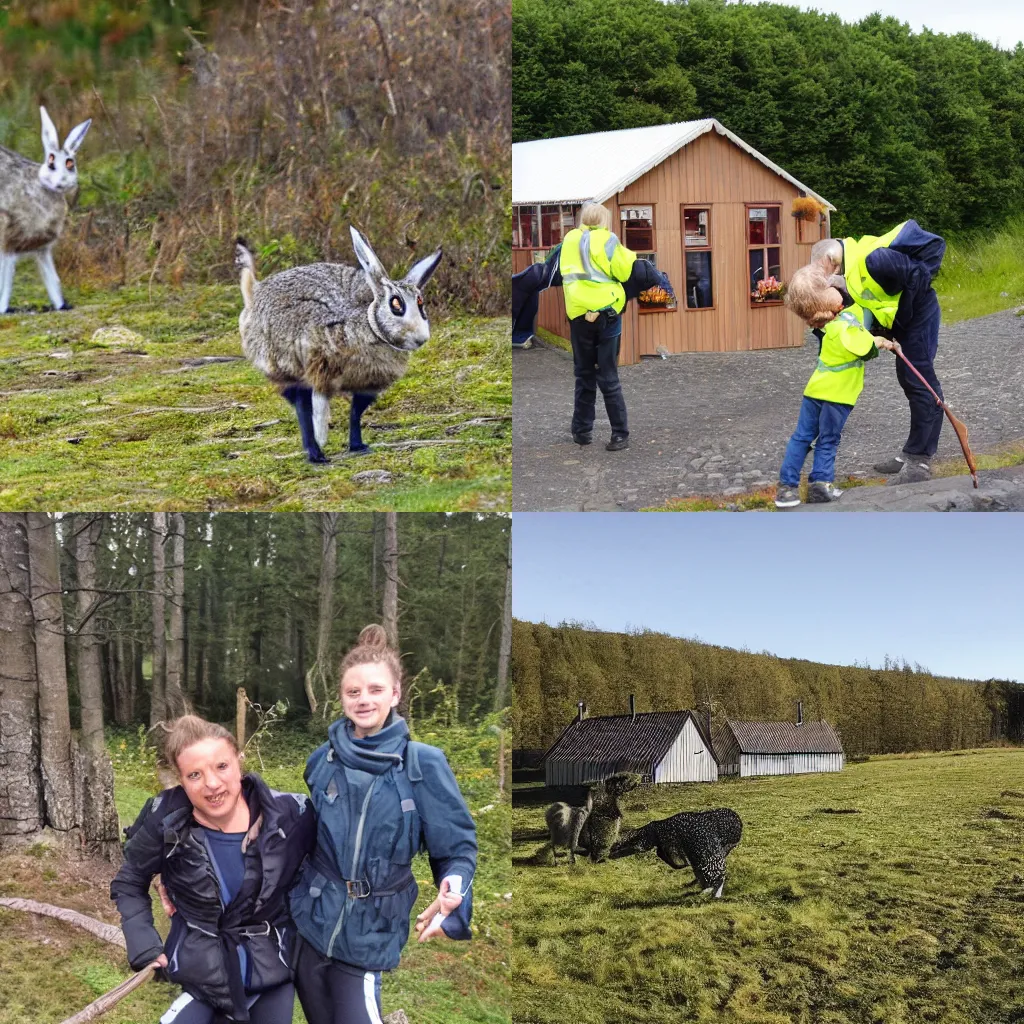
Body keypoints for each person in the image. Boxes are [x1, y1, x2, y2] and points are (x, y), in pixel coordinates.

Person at [288, 624, 477, 1024]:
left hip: (371, 931)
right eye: (353, 692)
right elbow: (306, 838)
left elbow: (457, 849)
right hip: (311, 921)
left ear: (395, 694)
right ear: (341, 698)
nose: (363, 700)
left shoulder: (423, 764)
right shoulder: (322, 760)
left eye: (375, 690)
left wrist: (455, 891)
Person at [110, 715, 316, 1024]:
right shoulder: (166, 822)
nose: (212, 784)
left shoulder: (289, 815)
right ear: (180, 780)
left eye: (222, 766)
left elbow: (339, 860)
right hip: (203, 972)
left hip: (272, 968)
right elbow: (129, 882)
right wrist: (142, 940)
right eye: (195, 774)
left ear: (239, 761)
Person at [791, 220, 947, 484]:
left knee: (918, 379)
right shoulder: (849, 271)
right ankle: (913, 450)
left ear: (831, 259)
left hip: (919, 316)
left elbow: (919, 277)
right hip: (900, 320)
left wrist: (903, 320)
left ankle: (920, 459)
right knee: (909, 380)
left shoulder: (875, 259)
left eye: (822, 271)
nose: (823, 279)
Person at [776, 265, 900, 507]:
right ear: (824, 300)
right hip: (838, 396)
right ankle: (820, 485)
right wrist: (884, 342)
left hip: (814, 391)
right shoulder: (846, 326)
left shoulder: (823, 327)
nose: (836, 288)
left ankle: (786, 489)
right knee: (828, 439)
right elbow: (866, 348)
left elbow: (847, 312)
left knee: (801, 437)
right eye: (829, 287)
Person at [559, 202, 639, 451]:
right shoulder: (609, 240)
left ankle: (582, 432)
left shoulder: (570, 240)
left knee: (583, 374)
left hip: (579, 315)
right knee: (608, 377)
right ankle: (619, 435)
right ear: (604, 220)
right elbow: (625, 271)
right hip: (607, 314)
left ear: (583, 219)